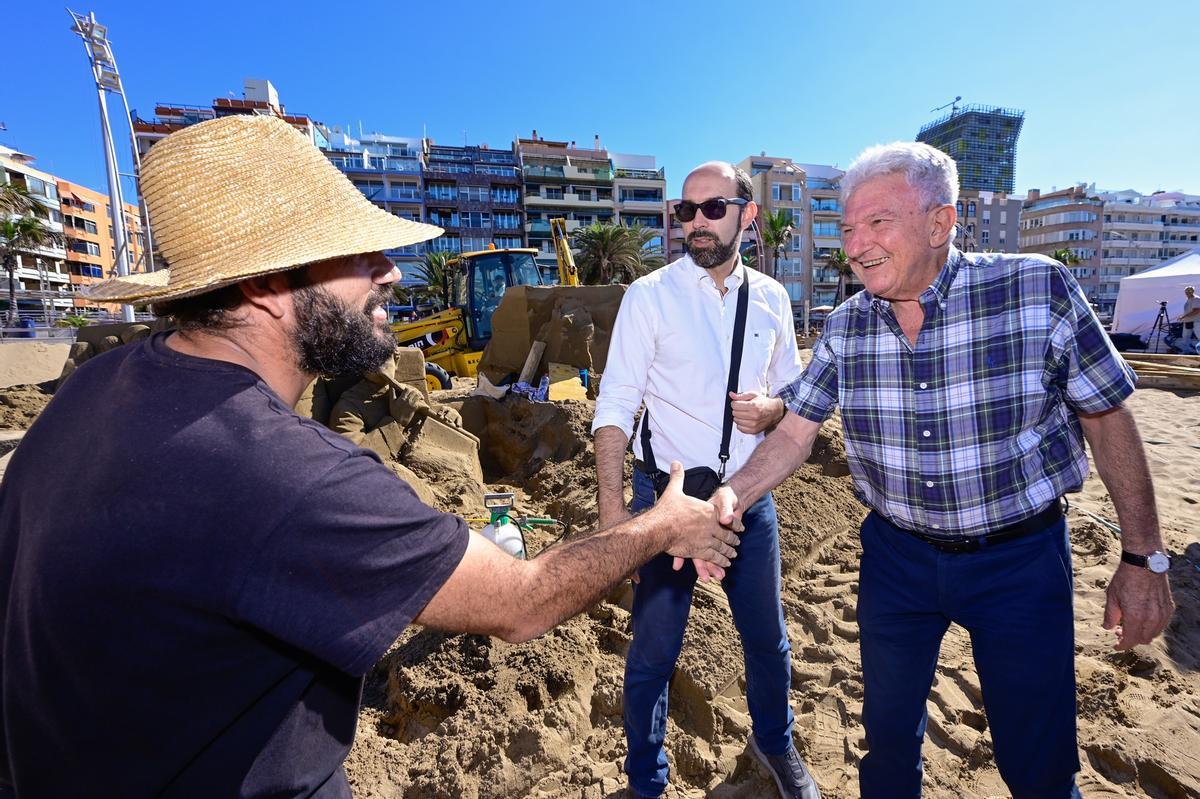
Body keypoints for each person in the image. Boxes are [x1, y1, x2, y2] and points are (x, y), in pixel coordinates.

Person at [0, 115, 741, 799]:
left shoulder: (96, 389)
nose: (390, 271)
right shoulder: (287, 475)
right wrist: (658, 523)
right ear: (266, 285)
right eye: (357, 252)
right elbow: (522, 600)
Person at [708, 142, 1175, 799]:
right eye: (847, 228)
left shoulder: (1036, 289)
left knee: (1038, 763)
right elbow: (791, 435)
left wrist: (1143, 555)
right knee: (889, 747)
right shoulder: (846, 327)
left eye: (877, 223)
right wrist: (727, 498)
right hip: (897, 562)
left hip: (1020, 562)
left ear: (940, 223)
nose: (857, 244)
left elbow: (1106, 417)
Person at [593, 162, 819, 799]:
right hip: (666, 499)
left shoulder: (773, 299)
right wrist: (615, 522)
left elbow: (795, 395)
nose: (694, 222)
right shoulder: (650, 296)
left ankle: (776, 746)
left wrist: (773, 410)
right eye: (683, 211)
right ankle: (646, 780)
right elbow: (613, 408)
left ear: (748, 215)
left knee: (768, 642)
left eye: (710, 208)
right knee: (653, 654)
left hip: (746, 495)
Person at [1179, 285, 1199, 353]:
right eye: (1187, 292)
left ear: (1192, 291)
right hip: (1188, 321)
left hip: (1196, 321)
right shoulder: (1189, 299)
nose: (1187, 293)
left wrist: (1184, 316)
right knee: (1185, 338)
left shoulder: (1196, 299)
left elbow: (1197, 310)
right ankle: (1186, 352)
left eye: (1189, 291)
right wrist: (1184, 317)